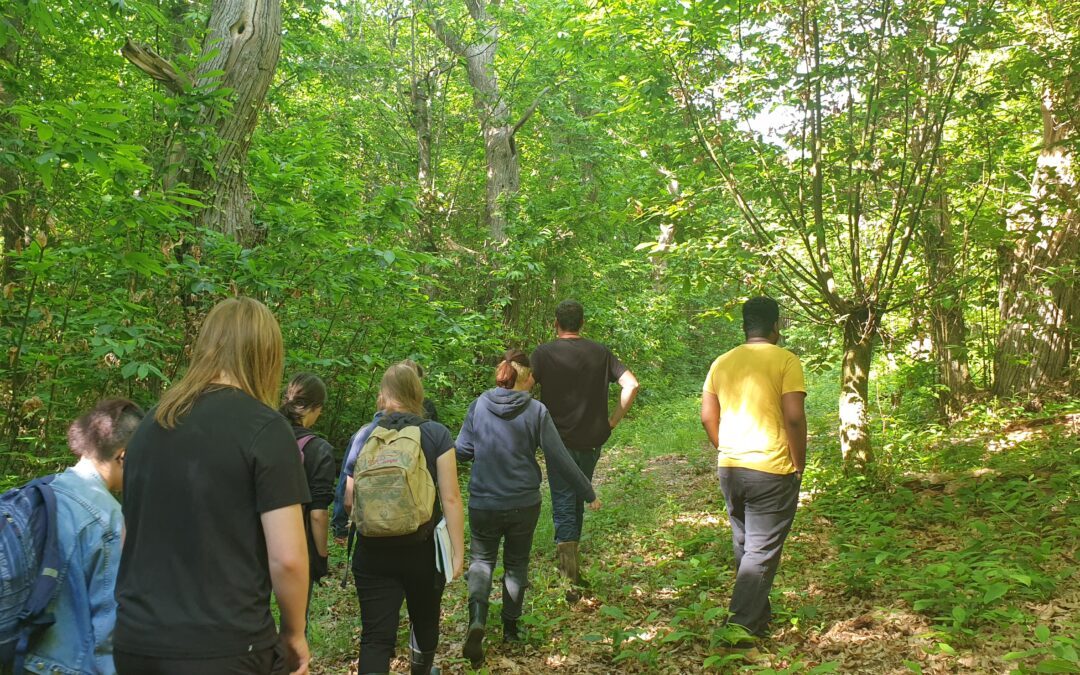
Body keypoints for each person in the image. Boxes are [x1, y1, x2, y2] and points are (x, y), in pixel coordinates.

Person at [114, 297, 311, 675]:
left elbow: (128, 539)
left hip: (136, 643)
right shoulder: (266, 430)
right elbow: (287, 558)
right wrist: (294, 632)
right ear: (266, 355)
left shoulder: (151, 426)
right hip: (225, 645)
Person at [455, 350, 600, 666]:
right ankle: (510, 628)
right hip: (523, 501)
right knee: (516, 563)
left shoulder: (478, 405)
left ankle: (477, 619)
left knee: (481, 560)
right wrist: (587, 491)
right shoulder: (536, 411)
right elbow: (559, 457)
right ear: (525, 378)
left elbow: (462, 451)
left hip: (483, 501)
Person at [699, 296, 807, 643]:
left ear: (745, 325)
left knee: (746, 545)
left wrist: (725, 446)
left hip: (731, 466)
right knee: (760, 550)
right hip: (771, 468)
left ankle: (757, 619)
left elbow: (707, 416)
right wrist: (799, 462)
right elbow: (793, 416)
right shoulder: (786, 360)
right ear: (776, 326)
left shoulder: (722, 362)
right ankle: (739, 628)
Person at [348, 363, 464, 675]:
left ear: (383, 396)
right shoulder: (436, 434)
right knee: (425, 621)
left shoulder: (365, 436)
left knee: (375, 638)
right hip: (422, 551)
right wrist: (458, 552)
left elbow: (349, 498)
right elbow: (451, 497)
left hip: (372, 553)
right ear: (417, 394)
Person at [19, 399, 144, 675]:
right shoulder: (109, 519)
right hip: (69, 666)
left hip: (21, 656)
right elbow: (107, 629)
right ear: (123, 456)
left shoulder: (41, 493)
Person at [530, 300, 638, 589]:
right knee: (577, 498)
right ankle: (573, 574)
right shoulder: (600, 352)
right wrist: (612, 421)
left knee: (566, 503)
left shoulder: (543, 353)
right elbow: (632, 385)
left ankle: (568, 580)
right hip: (591, 440)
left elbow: (523, 388)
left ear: (556, 323)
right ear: (582, 323)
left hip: (558, 442)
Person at [331, 360, 438, 538]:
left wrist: (342, 525)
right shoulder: (432, 433)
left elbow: (347, 494)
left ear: (384, 392)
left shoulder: (364, 434)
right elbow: (444, 491)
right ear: (417, 389)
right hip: (419, 539)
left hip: (370, 543)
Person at [279, 373, 337, 614]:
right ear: (315, 408)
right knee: (294, 622)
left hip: (255, 541)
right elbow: (317, 514)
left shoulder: (264, 434)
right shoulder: (319, 449)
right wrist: (321, 557)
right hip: (297, 546)